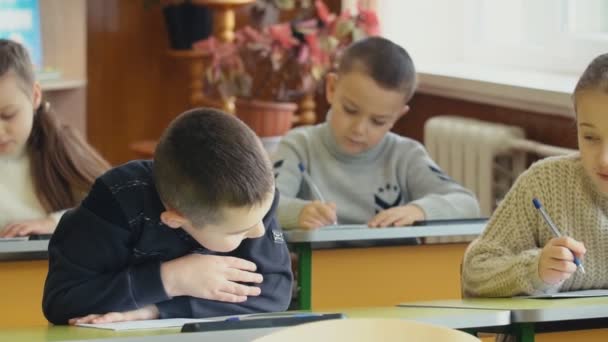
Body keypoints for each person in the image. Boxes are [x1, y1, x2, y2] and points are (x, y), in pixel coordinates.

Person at [42, 108, 293, 325]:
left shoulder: (255, 197)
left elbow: (276, 293)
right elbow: (63, 300)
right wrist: (170, 279)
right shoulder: (117, 200)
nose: (259, 231)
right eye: (236, 232)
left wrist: (156, 310)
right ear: (175, 220)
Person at [272, 36, 480, 230]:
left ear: (397, 116)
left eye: (378, 121)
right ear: (332, 88)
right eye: (350, 110)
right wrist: (299, 213)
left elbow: (466, 203)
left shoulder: (406, 155)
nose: (359, 129)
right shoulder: (299, 145)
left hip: (393, 267)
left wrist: (418, 210)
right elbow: (263, 204)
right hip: (317, 267)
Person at [462, 53, 608, 298]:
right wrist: (535, 270)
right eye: (590, 138)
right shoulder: (545, 182)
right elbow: (475, 272)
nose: (604, 159)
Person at [0, 39, 109, 238]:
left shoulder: (59, 144)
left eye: (8, 115)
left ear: (35, 96)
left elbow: (112, 204)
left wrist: (53, 222)